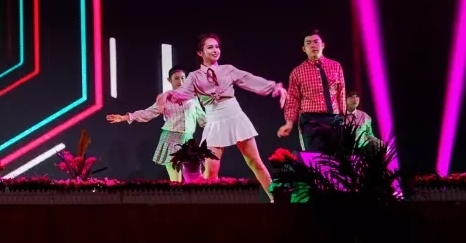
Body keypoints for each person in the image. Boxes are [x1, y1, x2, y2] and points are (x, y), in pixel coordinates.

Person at [157, 34, 286, 200]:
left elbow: (248, 79)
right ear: (200, 53)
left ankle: (276, 199)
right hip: (214, 120)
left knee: (255, 162)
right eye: (210, 47)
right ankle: (210, 207)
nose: (215, 50)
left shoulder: (227, 69)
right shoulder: (195, 76)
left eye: (217, 47)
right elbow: (183, 93)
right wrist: (168, 95)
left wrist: (273, 87)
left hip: (234, 115)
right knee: (210, 172)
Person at [107, 66, 207, 182]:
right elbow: (148, 112)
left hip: (188, 140)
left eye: (183, 78)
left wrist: (217, 127)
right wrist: (125, 117)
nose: (180, 81)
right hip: (171, 138)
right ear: (170, 80)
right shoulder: (165, 98)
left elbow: (203, 119)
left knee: (194, 177)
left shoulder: (192, 98)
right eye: (176, 78)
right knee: (176, 180)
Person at [277, 30, 347, 153]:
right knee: (314, 158)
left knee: (337, 157)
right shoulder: (297, 72)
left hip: (334, 119)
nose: (313, 45)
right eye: (308, 43)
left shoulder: (335, 66)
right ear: (304, 49)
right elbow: (293, 100)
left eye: (316, 42)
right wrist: (289, 123)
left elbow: (341, 92)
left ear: (323, 45)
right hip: (310, 121)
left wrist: (345, 116)